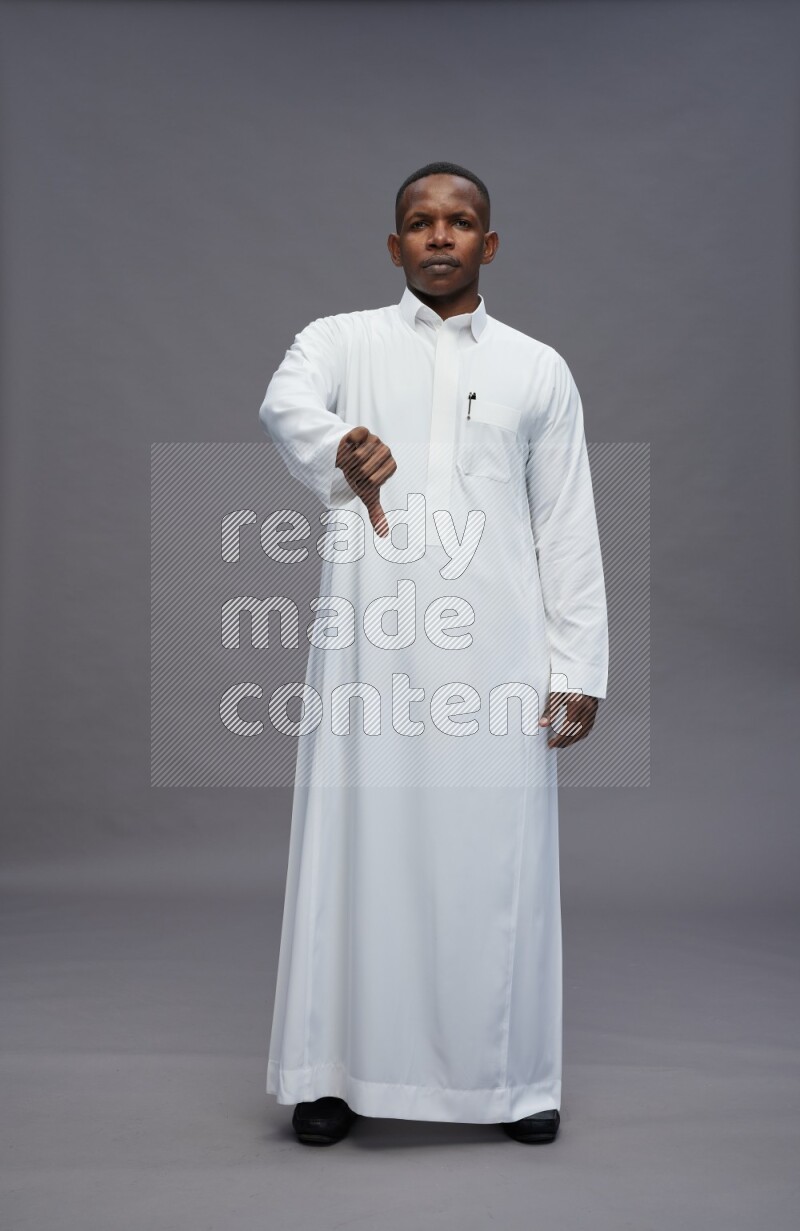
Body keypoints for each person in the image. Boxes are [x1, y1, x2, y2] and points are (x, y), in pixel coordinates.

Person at [258, 161, 608, 1146]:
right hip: (369, 655)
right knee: (353, 856)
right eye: (420, 222)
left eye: (460, 222)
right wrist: (337, 445)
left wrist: (575, 664)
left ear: (488, 245)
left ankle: (510, 1080)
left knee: (494, 864)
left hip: (494, 657)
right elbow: (286, 403)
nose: (439, 235)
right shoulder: (340, 343)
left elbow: (566, 523)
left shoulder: (536, 368)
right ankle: (329, 1075)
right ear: (394, 245)